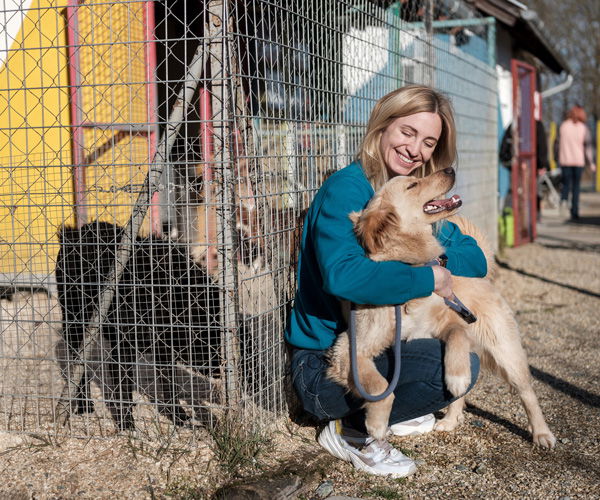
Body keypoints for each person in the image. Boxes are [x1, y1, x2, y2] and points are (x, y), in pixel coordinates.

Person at [285, 85, 487, 478]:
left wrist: (432, 253)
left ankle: (392, 410)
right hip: (325, 364)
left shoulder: (412, 205)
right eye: (407, 132)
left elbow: (474, 259)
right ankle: (351, 432)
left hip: (379, 348)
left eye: (428, 142)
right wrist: (426, 276)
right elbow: (344, 276)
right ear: (382, 126)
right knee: (436, 374)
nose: (416, 150)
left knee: (461, 362)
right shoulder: (349, 190)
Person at [555, 105, 597, 221]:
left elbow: (557, 144)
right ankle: (574, 211)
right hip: (578, 161)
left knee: (566, 184)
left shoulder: (563, 126)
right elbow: (587, 147)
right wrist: (592, 163)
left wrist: (556, 158)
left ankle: (563, 200)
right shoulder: (583, 128)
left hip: (565, 160)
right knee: (576, 187)